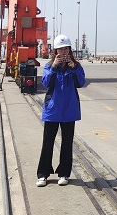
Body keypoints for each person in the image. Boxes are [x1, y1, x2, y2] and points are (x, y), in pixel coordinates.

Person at [36, 34, 86, 187]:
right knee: (48, 142)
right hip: (53, 110)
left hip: (69, 110)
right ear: (55, 51)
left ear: (70, 50)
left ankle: (64, 173)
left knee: (67, 143)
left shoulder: (76, 66)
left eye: (66, 49)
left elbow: (81, 83)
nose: (63, 52)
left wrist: (74, 68)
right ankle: (43, 174)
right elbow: (46, 82)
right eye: (60, 49)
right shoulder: (49, 66)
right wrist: (54, 67)